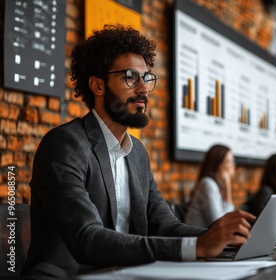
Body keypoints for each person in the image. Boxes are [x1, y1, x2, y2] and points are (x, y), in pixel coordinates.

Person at [21, 25, 255, 279]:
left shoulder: (137, 153)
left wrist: (226, 238)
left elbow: (165, 226)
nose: (143, 89)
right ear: (98, 86)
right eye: (131, 77)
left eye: (146, 78)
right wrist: (196, 247)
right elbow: (87, 238)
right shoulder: (65, 145)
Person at [185, 145, 237, 228]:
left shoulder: (214, 185)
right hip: (197, 239)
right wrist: (228, 187)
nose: (233, 165)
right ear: (219, 165)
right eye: (229, 161)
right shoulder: (207, 184)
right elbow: (219, 223)